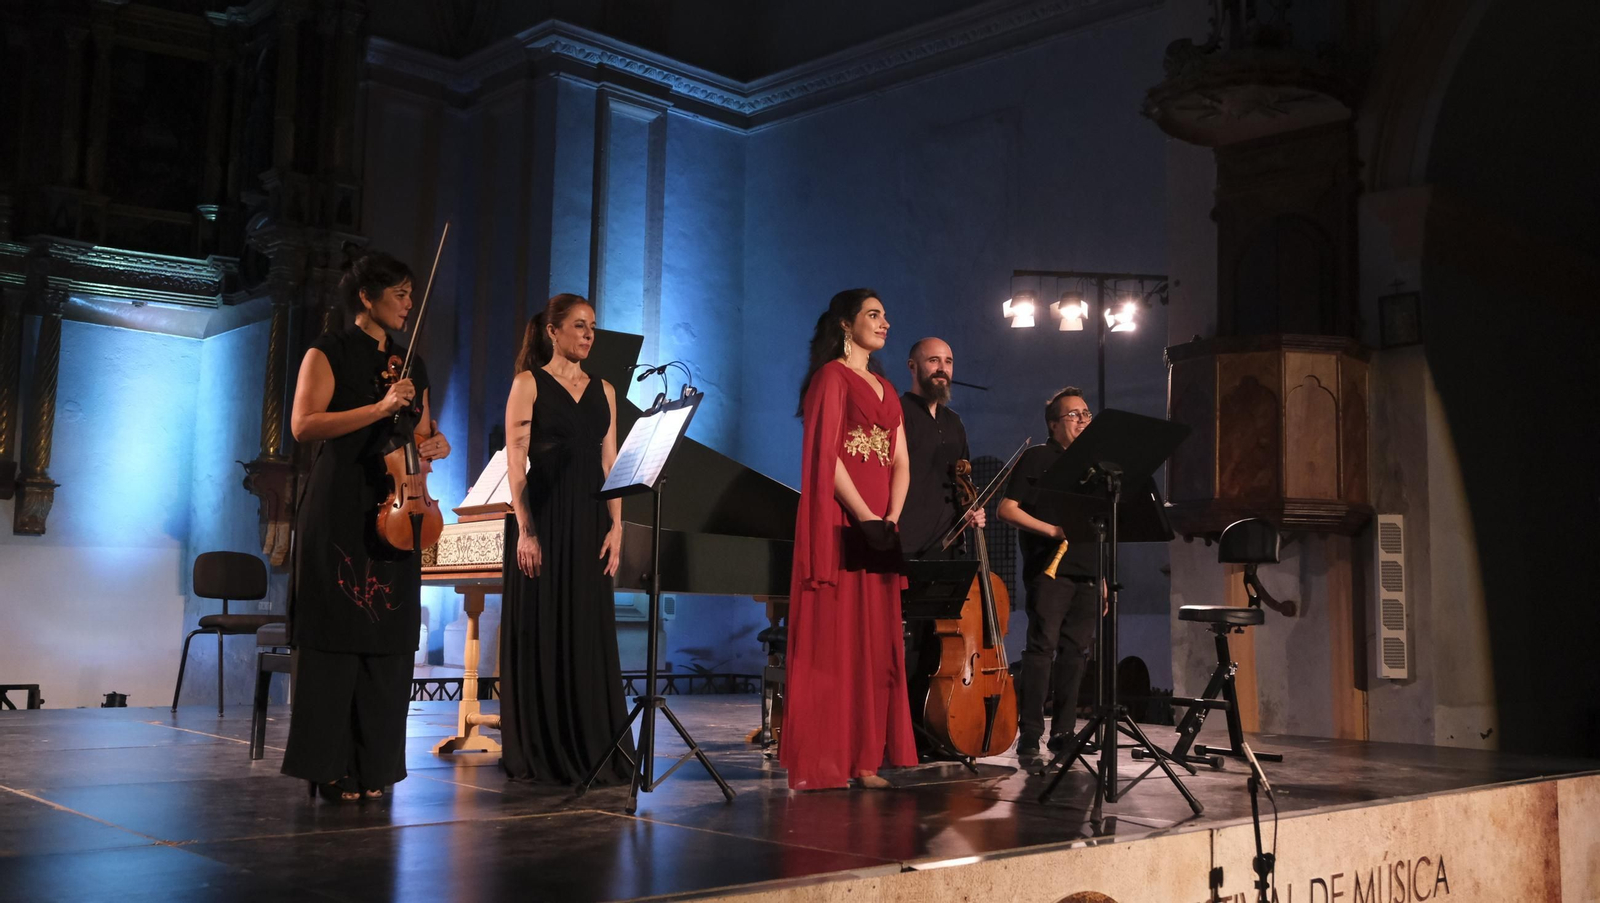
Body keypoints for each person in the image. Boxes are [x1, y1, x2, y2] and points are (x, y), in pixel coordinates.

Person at [283, 250, 452, 802]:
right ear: (366, 297)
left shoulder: (412, 364)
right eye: (398, 293)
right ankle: (328, 766)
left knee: (387, 637)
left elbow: (423, 434)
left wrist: (435, 443)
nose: (408, 303)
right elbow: (305, 424)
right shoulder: (326, 351)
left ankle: (374, 769)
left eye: (410, 294)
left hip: (399, 510)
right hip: (340, 506)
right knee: (335, 637)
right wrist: (379, 409)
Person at [781, 288, 917, 790]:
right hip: (842, 524)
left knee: (874, 643)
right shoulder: (830, 378)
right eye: (873, 314)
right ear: (845, 324)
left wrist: (891, 517)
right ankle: (828, 760)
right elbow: (826, 454)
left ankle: (865, 758)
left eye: (885, 315)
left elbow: (900, 459)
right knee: (837, 638)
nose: (884, 322)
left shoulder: (886, 388)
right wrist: (864, 516)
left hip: (880, 524)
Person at [498, 293, 634, 785]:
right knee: (546, 627)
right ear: (552, 331)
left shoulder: (606, 390)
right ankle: (543, 748)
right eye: (579, 325)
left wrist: (618, 527)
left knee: (586, 628)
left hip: (591, 522)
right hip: (546, 517)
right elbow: (516, 461)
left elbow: (611, 463)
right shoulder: (527, 384)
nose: (588, 334)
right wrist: (527, 530)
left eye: (593, 326)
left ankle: (594, 744)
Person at [997, 387, 1100, 756]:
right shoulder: (1038, 457)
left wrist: (1102, 578)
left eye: (1086, 414)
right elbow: (1007, 509)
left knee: (1077, 652)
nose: (1083, 420)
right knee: (1042, 649)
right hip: (1050, 570)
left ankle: (1065, 732)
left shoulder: (1093, 465)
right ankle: (1030, 732)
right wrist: (1052, 531)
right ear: (1054, 424)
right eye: (1074, 415)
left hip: (1087, 569)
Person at [897, 337, 986, 757]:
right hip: (908, 545)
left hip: (949, 548)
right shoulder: (897, 412)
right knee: (909, 647)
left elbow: (962, 480)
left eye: (948, 361)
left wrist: (973, 511)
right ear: (912, 366)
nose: (942, 368)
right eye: (933, 360)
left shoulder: (955, 423)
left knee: (940, 646)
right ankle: (904, 736)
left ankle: (932, 731)